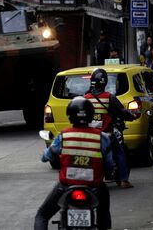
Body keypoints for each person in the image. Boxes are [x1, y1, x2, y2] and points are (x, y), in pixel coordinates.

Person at [34, 97, 114, 230]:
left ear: (70, 116)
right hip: (94, 188)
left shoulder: (64, 136)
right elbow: (109, 164)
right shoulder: (101, 137)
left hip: (66, 186)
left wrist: (46, 155)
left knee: (42, 215)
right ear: (90, 116)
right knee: (103, 213)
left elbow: (47, 156)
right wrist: (110, 172)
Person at [84, 68, 136, 188]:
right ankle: (123, 180)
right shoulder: (109, 97)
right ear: (105, 82)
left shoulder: (86, 98)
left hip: (90, 135)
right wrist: (131, 116)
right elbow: (122, 112)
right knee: (119, 153)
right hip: (106, 135)